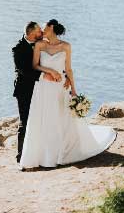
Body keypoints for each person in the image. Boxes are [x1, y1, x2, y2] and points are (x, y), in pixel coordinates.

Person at [19, 19, 117, 170]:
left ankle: (59, 154)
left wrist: (74, 89)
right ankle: (44, 156)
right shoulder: (39, 45)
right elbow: (35, 65)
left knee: (60, 119)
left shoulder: (66, 46)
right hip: (44, 87)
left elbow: (69, 69)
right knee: (45, 119)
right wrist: (50, 71)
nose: (42, 29)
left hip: (60, 87)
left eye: (44, 26)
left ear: (51, 27)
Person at [12, 21, 60, 163]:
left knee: (42, 120)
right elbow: (22, 70)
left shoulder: (43, 43)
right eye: (39, 31)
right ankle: (21, 155)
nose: (42, 33)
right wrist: (42, 75)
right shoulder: (18, 49)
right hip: (25, 90)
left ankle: (40, 153)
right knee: (25, 122)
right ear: (32, 33)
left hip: (42, 90)